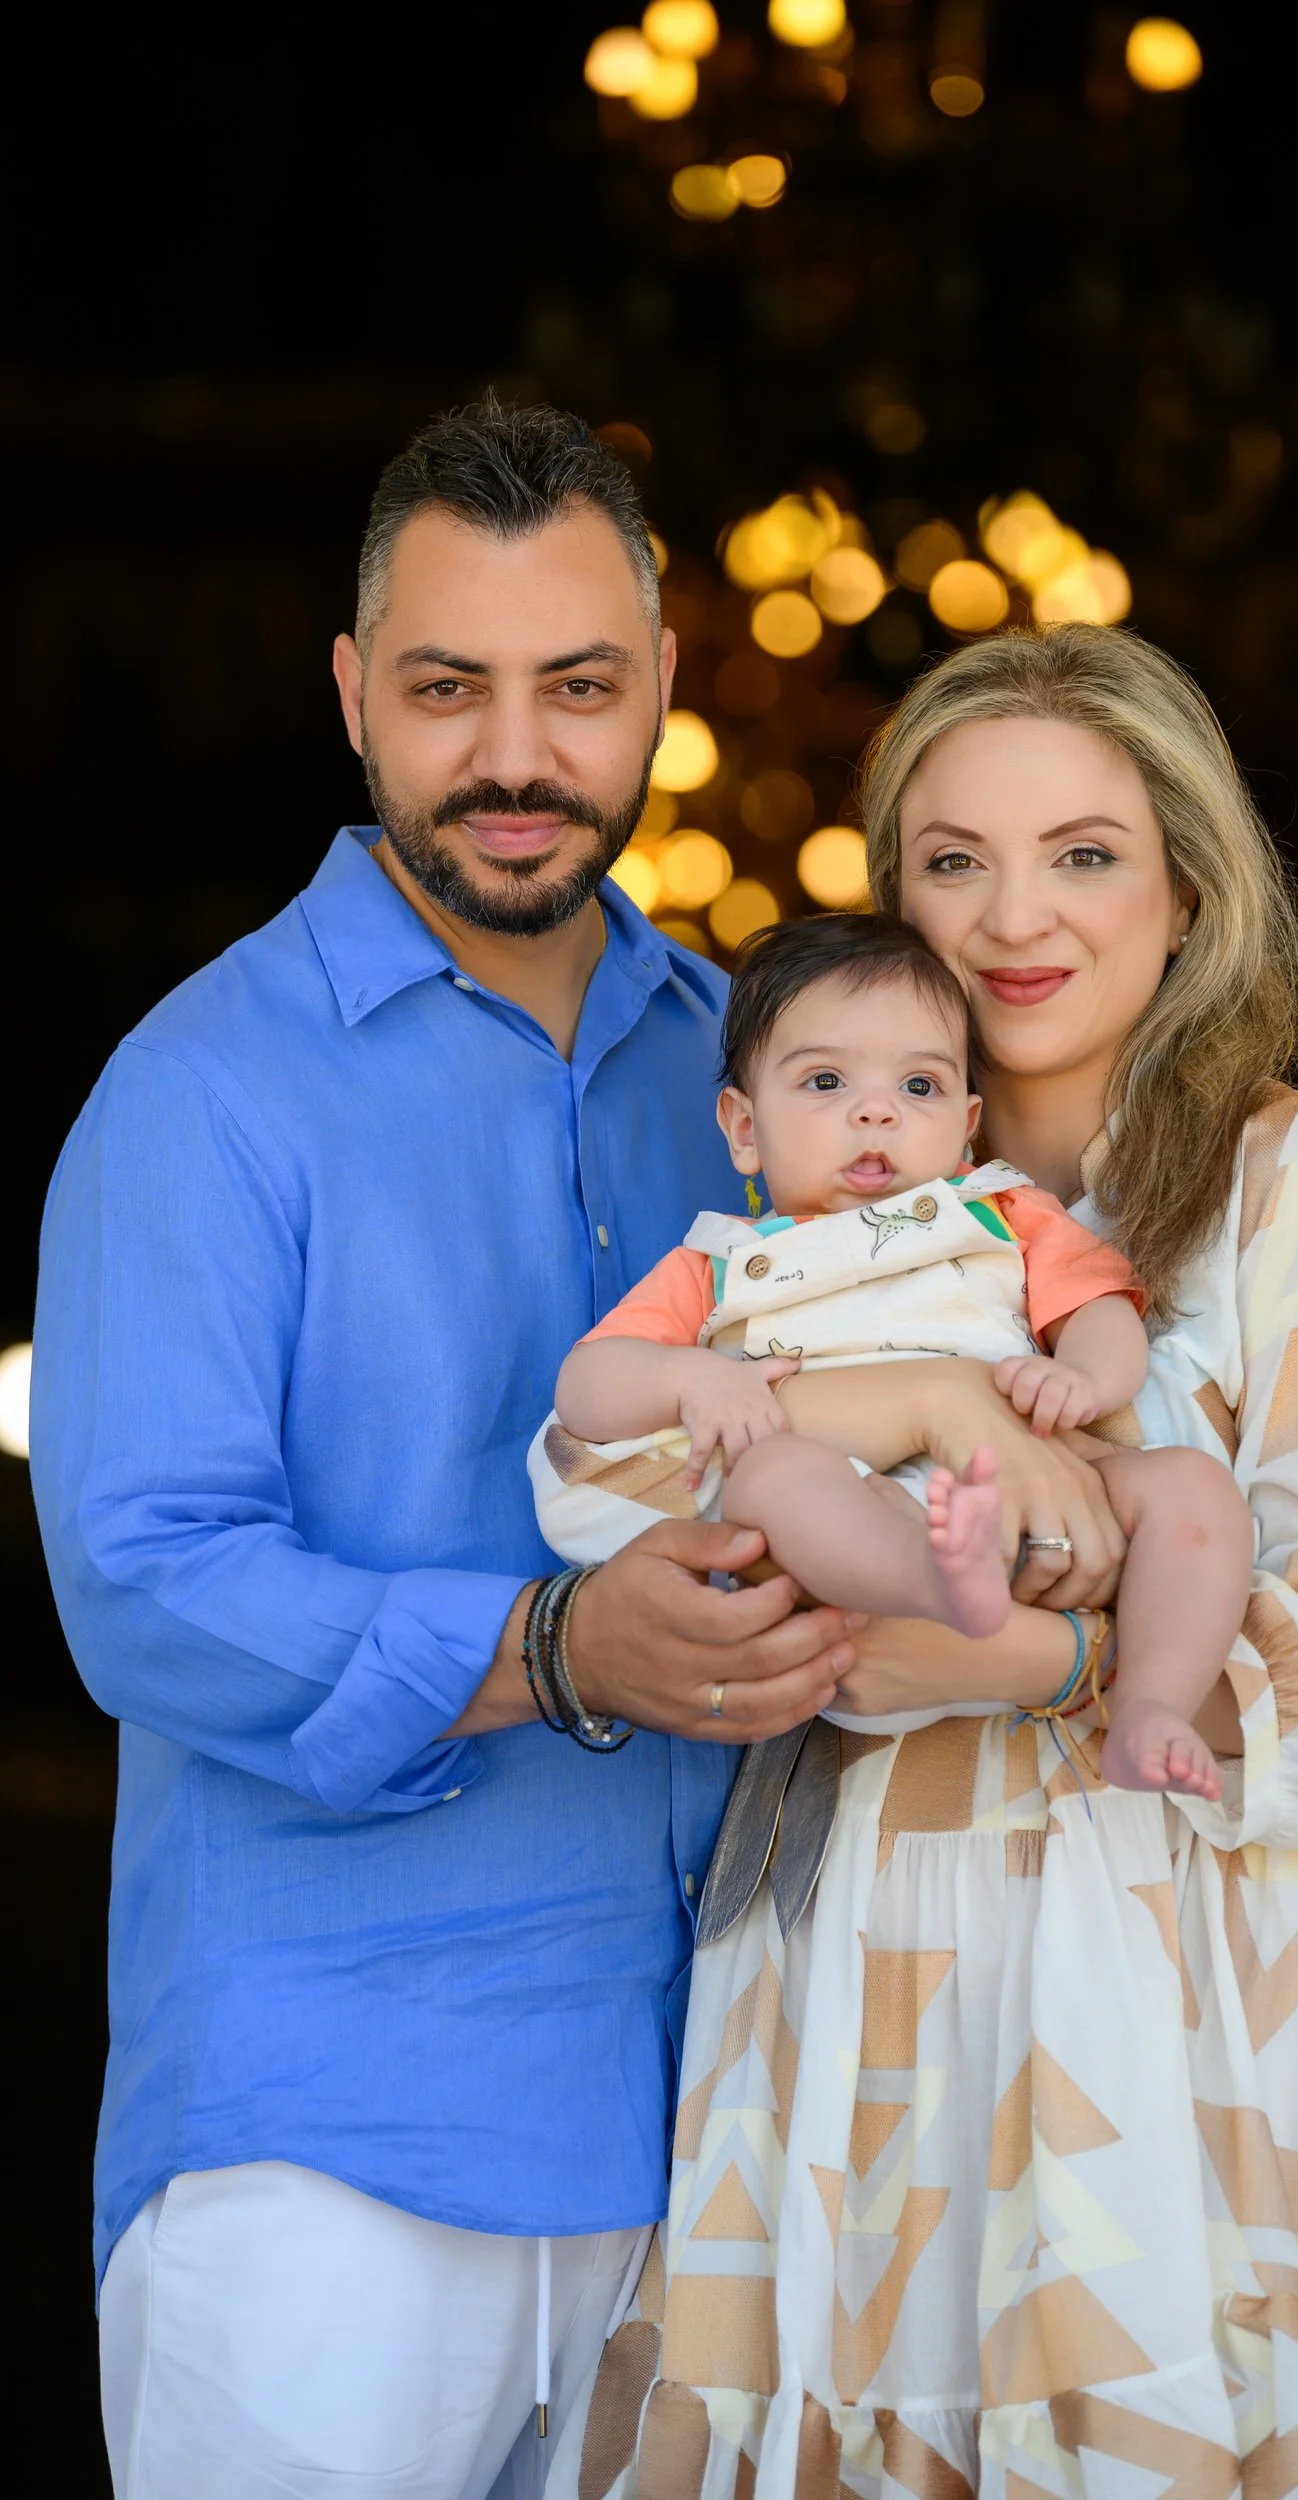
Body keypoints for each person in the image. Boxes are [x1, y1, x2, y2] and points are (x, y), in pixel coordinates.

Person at [553, 625, 1298, 2497]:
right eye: (952, 860)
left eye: (1083, 852)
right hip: (847, 1971)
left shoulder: (1283, 1183)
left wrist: (1049, 1667)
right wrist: (909, 1407)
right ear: (888, 893)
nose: (1016, 917)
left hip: (1166, 1995)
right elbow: (608, 1485)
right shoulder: (799, 1221)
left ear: (1185, 887)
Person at [28, 398, 879, 2500]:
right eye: (446, 688)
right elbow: (141, 1575)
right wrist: (558, 1647)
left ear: (665, 689)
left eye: (577, 685)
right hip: (328, 2146)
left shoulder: (749, 1074)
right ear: (351, 697)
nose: (516, 755)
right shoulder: (200, 1088)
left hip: (715, 2146)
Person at [542, 911, 1253, 1798]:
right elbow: (586, 1389)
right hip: (857, 1551)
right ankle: (930, 1573)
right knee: (770, 1478)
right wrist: (690, 1375)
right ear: (744, 1129)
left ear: (966, 1124)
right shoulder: (718, 1261)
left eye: (918, 1086)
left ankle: (1150, 1703)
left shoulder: (1000, 1211)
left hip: (1027, 1488)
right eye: (826, 1080)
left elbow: (1100, 1307)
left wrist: (1080, 1376)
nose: (875, 1110)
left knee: (1190, 1485)